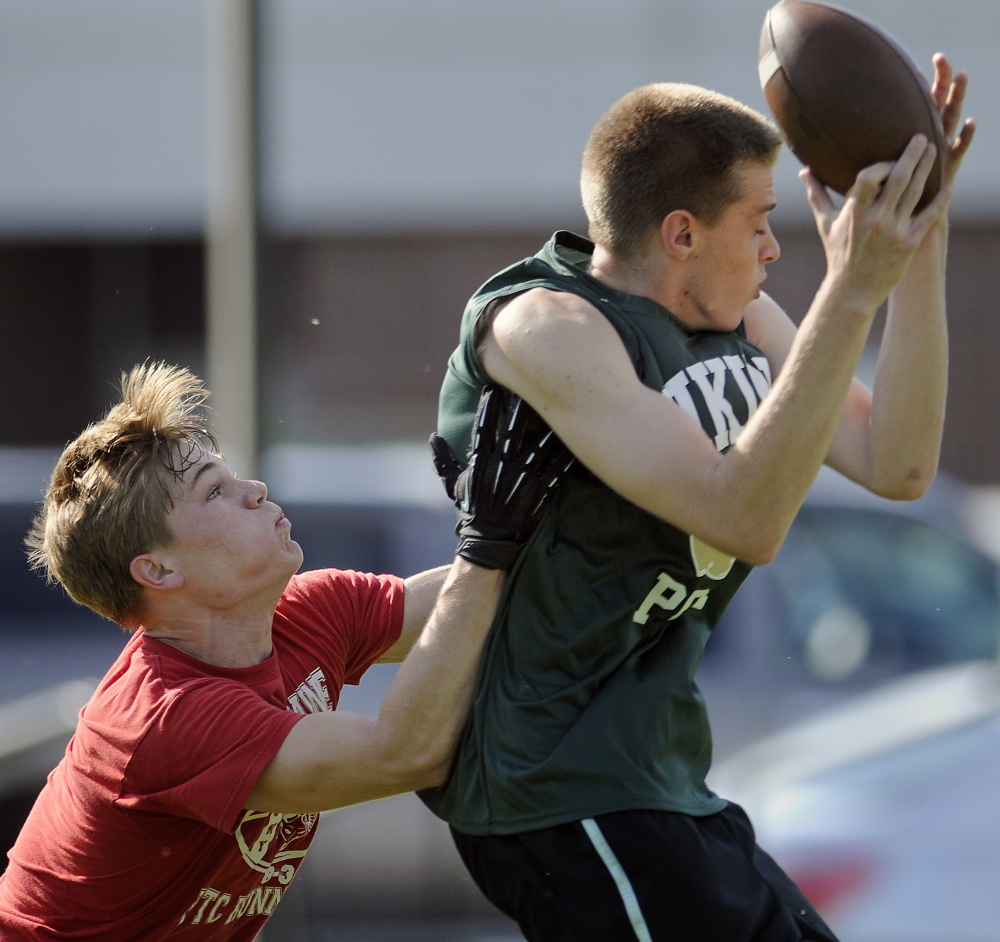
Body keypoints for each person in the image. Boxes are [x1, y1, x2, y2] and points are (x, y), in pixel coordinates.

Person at [419, 56, 975, 941]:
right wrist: (852, 287)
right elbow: (743, 518)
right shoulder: (543, 327)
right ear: (681, 234)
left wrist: (922, 240)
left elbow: (897, 463)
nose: (773, 248)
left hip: (665, 777)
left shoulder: (738, 319)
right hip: (554, 791)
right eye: (758, 221)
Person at [0, 363, 571, 940]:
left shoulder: (307, 612)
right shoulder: (167, 716)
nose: (255, 490)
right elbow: (403, 753)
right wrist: (488, 540)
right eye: (215, 491)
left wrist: (578, 494)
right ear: (158, 569)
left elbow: (492, 601)